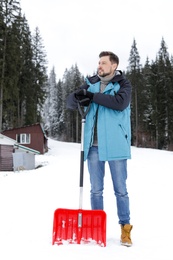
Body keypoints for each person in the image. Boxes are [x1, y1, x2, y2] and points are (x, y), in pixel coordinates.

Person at [66, 51, 133, 247]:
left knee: (120, 190)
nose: (99, 66)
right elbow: (71, 104)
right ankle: (98, 228)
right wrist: (77, 95)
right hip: (93, 147)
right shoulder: (91, 82)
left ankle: (125, 229)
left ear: (114, 65)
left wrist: (92, 96)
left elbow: (119, 104)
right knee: (96, 191)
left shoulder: (123, 84)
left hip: (116, 145)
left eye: (103, 63)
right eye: (98, 63)